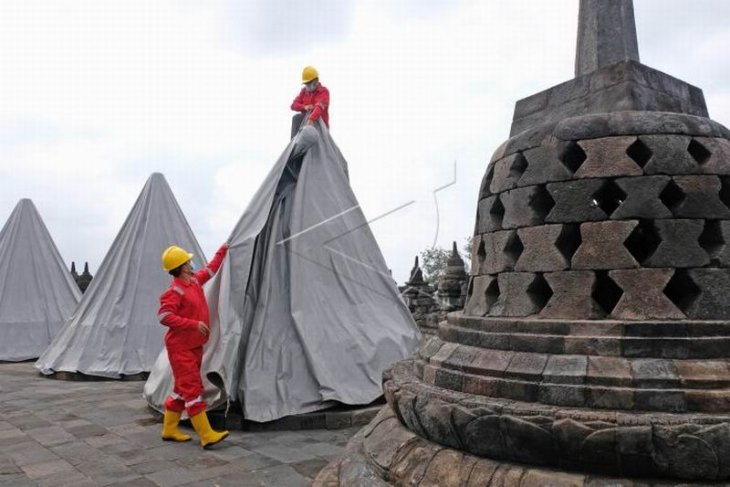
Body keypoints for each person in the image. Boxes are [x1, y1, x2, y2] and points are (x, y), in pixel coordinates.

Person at [157, 243, 229, 448]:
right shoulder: (174, 291)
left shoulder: (194, 282)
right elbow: (164, 316)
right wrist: (193, 324)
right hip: (181, 349)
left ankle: (169, 429)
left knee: (181, 390)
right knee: (192, 390)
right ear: (182, 267)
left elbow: (211, 269)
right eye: (187, 261)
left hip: (193, 346)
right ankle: (206, 435)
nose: (191, 263)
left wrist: (223, 250)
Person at [290, 65, 330, 136]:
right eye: (306, 83)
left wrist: (311, 119)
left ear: (316, 80)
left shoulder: (324, 92)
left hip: (320, 125)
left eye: (309, 83)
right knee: (296, 118)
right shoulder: (304, 91)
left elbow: (319, 106)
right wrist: (304, 107)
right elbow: (293, 105)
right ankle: (294, 143)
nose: (307, 85)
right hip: (305, 123)